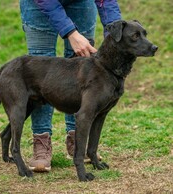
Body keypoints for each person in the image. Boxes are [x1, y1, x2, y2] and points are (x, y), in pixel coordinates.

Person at [20, 0, 121, 172]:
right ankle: (41, 142)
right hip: (40, 4)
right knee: (39, 69)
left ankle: (77, 141)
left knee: (82, 64)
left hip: (81, 3)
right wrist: (70, 33)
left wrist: (116, 33)